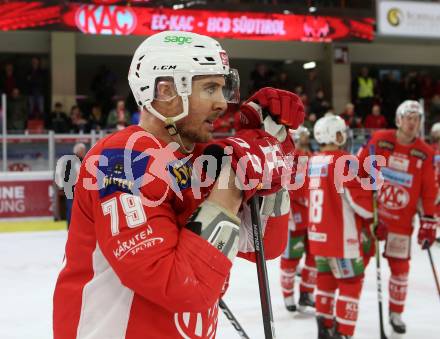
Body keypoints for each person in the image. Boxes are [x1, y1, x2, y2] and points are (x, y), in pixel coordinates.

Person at [52, 31, 305, 338]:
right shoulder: (121, 158)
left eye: (223, 88)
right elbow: (179, 286)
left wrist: (273, 147)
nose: (222, 103)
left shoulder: (198, 159)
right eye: (209, 88)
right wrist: (235, 177)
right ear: (165, 91)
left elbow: (263, 243)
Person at [358, 100, 438, 335]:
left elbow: (429, 191)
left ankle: (395, 313)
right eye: (408, 117)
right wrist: (366, 211)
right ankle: (343, 306)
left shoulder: (425, 153)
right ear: (398, 119)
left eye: (417, 118)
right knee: (358, 262)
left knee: (401, 269)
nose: (412, 122)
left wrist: (429, 222)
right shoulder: (380, 139)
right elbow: (359, 174)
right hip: (372, 217)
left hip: (401, 221)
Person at [309, 115, 373, 339]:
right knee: (351, 282)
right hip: (341, 238)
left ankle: (324, 326)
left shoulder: (312, 161)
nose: (344, 136)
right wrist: (372, 196)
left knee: (325, 280)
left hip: (317, 237)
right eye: (341, 132)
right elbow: (361, 204)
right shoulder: (344, 161)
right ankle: (344, 333)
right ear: (334, 135)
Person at [280, 125, 316, 312]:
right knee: (292, 256)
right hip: (294, 213)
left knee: (314, 255)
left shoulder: (311, 156)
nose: (305, 137)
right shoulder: (289, 157)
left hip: (313, 212)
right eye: (301, 134)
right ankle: (288, 295)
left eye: (306, 134)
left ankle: (307, 293)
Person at [62, 143, 87, 228]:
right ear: (79, 151)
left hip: (74, 188)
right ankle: (72, 226)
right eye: (83, 150)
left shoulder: (73, 159)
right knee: (72, 207)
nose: (85, 152)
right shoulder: (73, 160)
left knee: (73, 207)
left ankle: (73, 226)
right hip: (72, 188)